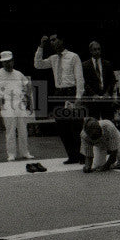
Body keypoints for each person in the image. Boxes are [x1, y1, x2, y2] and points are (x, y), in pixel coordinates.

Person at [34, 33, 85, 165]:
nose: (52, 42)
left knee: (76, 126)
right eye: (50, 41)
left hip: (71, 92)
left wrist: (78, 98)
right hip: (59, 94)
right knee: (62, 127)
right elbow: (38, 64)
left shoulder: (73, 57)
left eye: (55, 39)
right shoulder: (53, 58)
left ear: (62, 40)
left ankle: (83, 155)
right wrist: (41, 46)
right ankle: (72, 155)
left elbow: (79, 78)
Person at [0, 51, 34, 161]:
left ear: (13, 61)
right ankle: (11, 154)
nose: (8, 64)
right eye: (5, 62)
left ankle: (25, 152)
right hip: (7, 103)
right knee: (10, 130)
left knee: (23, 129)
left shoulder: (18, 73)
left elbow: (28, 84)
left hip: (19, 103)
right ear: (2, 63)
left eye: (9, 61)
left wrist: (27, 97)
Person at [81, 40, 116, 122]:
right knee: (94, 124)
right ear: (90, 51)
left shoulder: (107, 64)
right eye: (95, 49)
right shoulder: (85, 66)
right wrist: (93, 95)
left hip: (106, 98)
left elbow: (112, 80)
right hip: (93, 100)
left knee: (108, 123)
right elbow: (84, 82)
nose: (97, 51)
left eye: (99, 49)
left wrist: (107, 93)